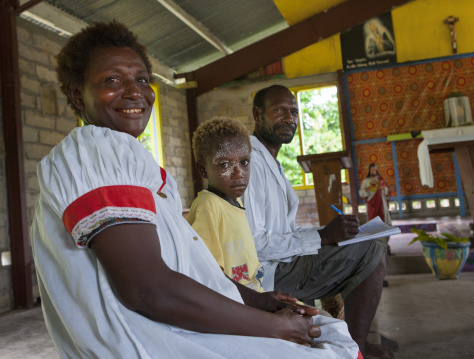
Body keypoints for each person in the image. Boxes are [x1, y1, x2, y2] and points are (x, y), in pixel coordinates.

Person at [30, 21, 361, 358]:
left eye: (142, 79)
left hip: (169, 331)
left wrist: (258, 300)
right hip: (149, 344)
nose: (134, 91)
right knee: (330, 347)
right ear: (76, 93)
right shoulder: (95, 151)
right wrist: (275, 328)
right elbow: (147, 290)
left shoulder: (130, 163)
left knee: (326, 331)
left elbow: (188, 268)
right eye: (112, 80)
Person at [242, 84, 393, 359]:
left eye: (294, 112)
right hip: (270, 272)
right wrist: (323, 237)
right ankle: (355, 349)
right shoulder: (251, 161)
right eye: (279, 110)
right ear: (257, 114)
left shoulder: (271, 161)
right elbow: (256, 244)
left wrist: (328, 231)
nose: (289, 118)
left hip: (284, 261)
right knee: (372, 251)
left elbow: (283, 232)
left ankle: (349, 340)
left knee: (368, 239)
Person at [188, 117, 264, 292]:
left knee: (322, 317)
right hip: (236, 303)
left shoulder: (235, 203)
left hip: (255, 296)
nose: (238, 173)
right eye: (224, 164)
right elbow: (208, 275)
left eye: (244, 162)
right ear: (203, 170)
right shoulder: (208, 206)